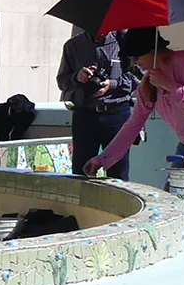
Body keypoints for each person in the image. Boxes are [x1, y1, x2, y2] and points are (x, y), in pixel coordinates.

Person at [84, 28, 184, 185]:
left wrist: (170, 86)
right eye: (132, 57)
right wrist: (102, 159)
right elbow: (133, 125)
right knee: (175, 191)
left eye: (137, 55)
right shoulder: (148, 83)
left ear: (153, 50)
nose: (135, 61)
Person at [58, 23, 139, 180]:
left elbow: (139, 76)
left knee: (118, 173)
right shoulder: (73, 46)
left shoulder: (124, 41)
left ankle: (117, 205)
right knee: (81, 172)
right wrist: (77, 77)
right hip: (85, 114)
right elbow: (62, 81)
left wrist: (112, 84)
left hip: (117, 112)